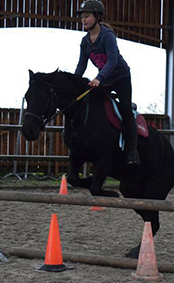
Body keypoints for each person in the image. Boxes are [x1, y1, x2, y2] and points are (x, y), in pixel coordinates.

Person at [74, 0, 140, 166]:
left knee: (125, 110)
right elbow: (81, 65)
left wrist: (99, 78)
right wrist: (74, 82)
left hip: (121, 77)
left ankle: (132, 151)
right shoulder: (85, 41)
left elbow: (112, 60)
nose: (83, 20)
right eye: (82, 17)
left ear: (97, 17)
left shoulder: (107, 35)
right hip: (105, 78)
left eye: (87, 16)